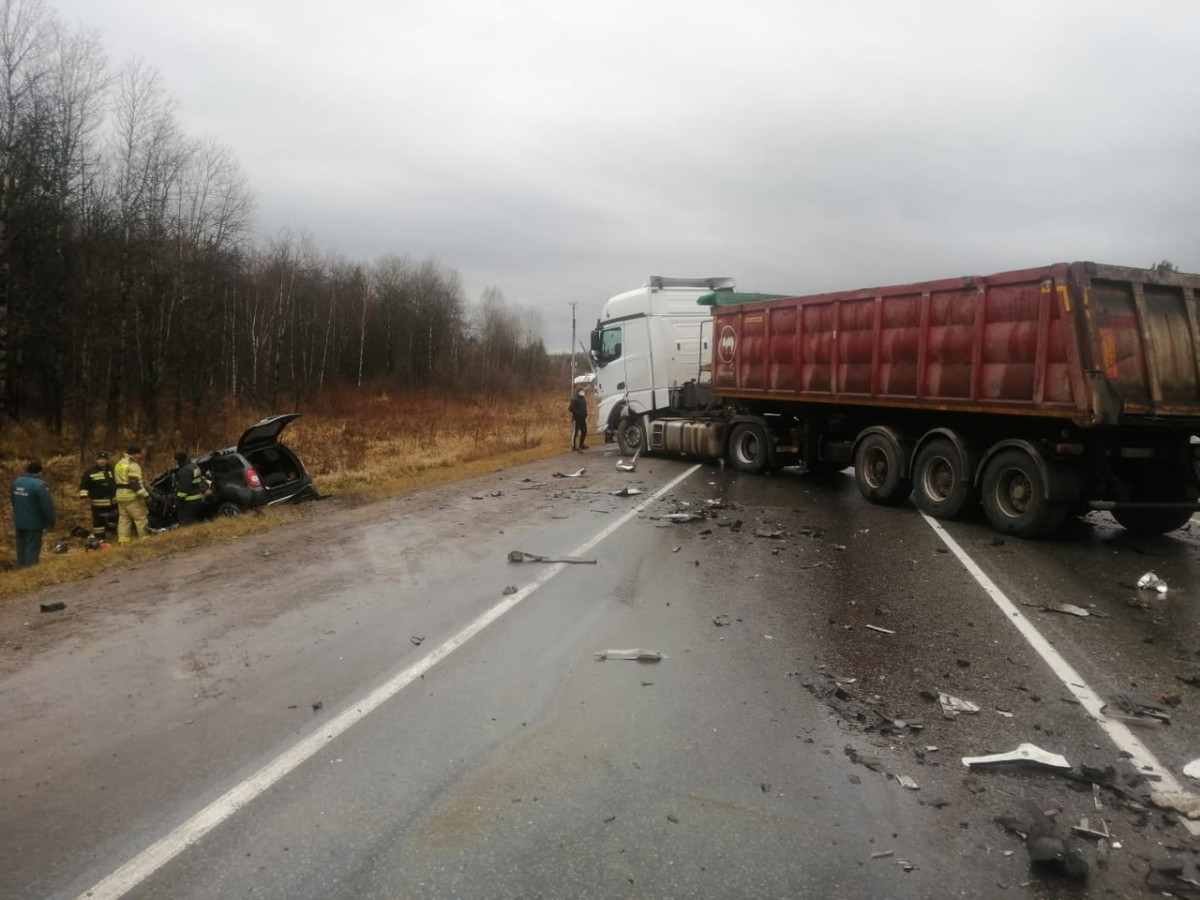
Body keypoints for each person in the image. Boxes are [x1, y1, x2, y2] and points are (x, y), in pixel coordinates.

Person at [11, 460, 56, 567]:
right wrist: (51, 520)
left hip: (19, 520)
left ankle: (20, 566)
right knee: (32, 546)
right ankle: (30, 570)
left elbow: (13, 501)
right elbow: (46, 505)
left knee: (21, 545)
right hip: (34, 522)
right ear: (40, 472)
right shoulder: (40, 485)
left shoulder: (16, 482)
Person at [114, 444, 151, 543]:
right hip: (131, 496)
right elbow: (135, 484)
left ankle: (123, 542)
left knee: (124, 520)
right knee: (140, 518)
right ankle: (145, 541)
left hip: (120, 495)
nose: (141, 456)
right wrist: (145, 495)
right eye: (139, 454)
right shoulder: (133, 465)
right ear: (134, 454)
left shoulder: (119, 463)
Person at [78, 450, 117, 540]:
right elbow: (84, 485)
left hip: (113, 502)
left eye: (104, 459)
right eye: (100, 459)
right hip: (98, 504)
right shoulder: (90, 472)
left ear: (107, 460)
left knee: (113, 519)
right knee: (99, 523)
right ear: (96, 460)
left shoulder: (113, 470)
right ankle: (100, 539)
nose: (102, 461)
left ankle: (112, 535)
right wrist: (84, 496)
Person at [173, 450, 206, 526]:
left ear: (179, 460)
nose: (175, 462)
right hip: (198, 498)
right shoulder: (194, 466)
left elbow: (184, 490)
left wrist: (177, 500)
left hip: (188, 502)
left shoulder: (184, 471)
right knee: (197, 522)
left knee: (187, 524)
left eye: (176, 460)